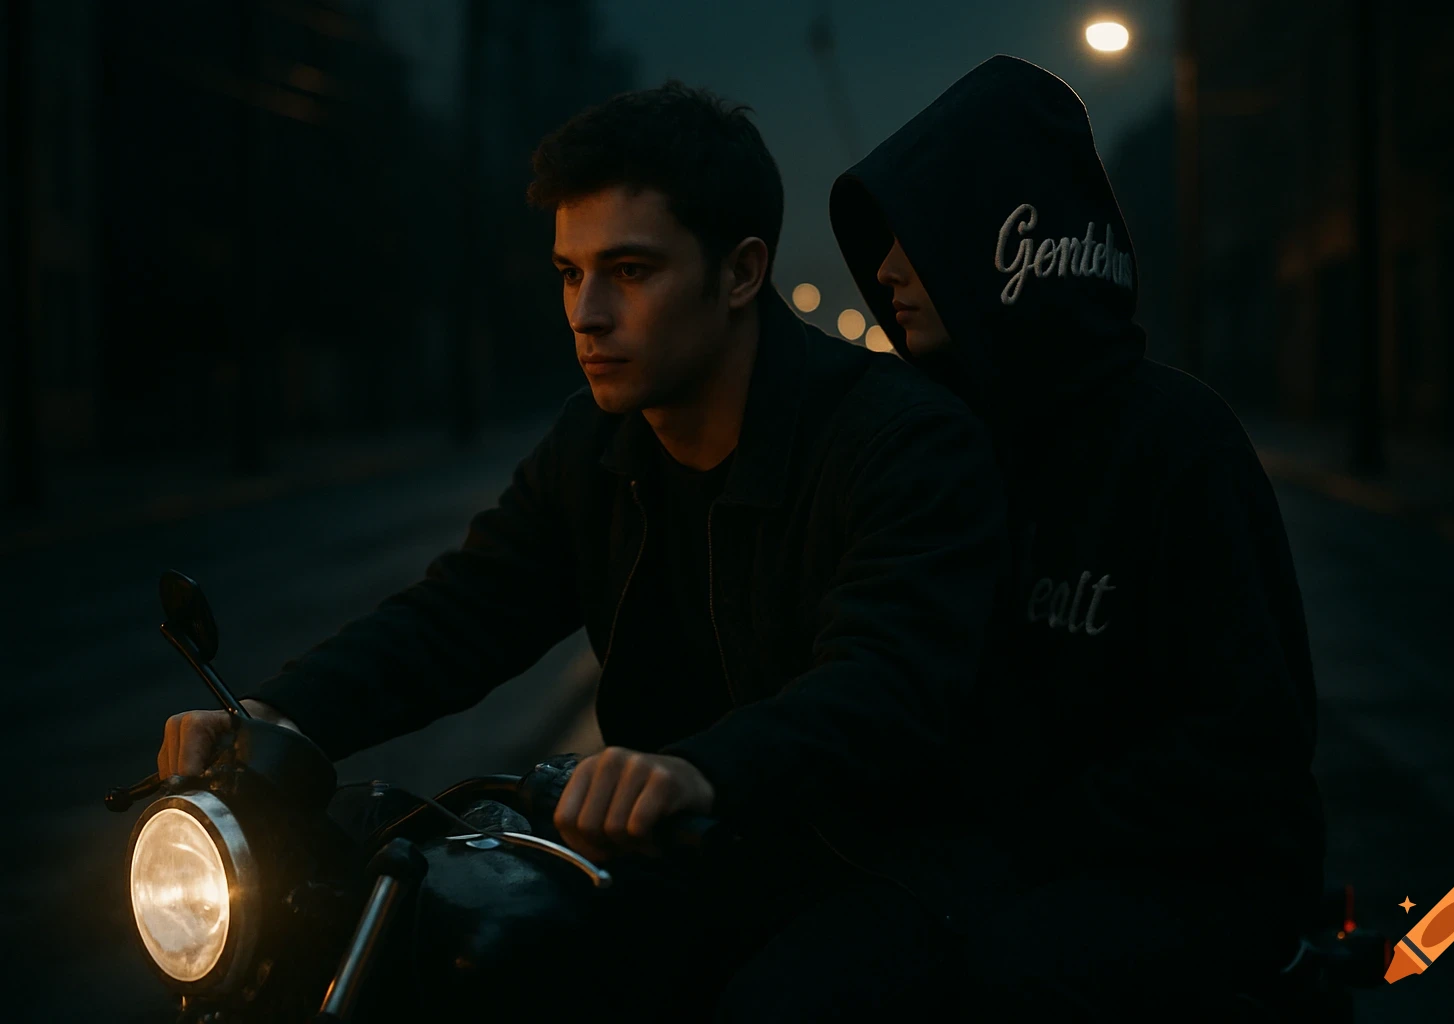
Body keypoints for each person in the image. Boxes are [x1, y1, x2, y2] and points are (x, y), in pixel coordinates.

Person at [157, 81, 1011, 1020]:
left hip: (871, 868)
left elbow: (884, 682)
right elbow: (464, 610)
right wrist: (277, 716)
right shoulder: (597, 445)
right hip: (670, 861)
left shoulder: (897, 443)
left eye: (630, 272)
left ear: (740, 273)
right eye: (571, 272)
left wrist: (699, 768)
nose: (586, 313)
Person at [829, 55, 1326, 1017]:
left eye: (916, 229)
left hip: (1195, 885)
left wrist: (1023, 834)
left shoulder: (1179, 443)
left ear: (1004, 241)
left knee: (1005, 977)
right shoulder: (935, 447)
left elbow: (1248, 745)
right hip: (995, 865)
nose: (886, 266)